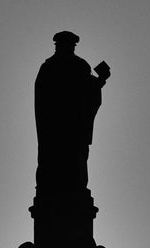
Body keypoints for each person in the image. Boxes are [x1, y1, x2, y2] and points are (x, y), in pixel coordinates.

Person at [34, 31, 110, 193]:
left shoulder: (49, 67)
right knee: (70, 158)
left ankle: (57, 189)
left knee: (60, 158)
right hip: (68, 127)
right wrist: (101, 79)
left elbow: (89, 90)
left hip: (59, 128)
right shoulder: (76, 66)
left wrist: (100, 81)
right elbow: (90, 91)